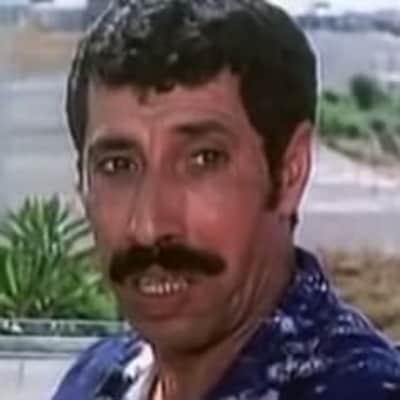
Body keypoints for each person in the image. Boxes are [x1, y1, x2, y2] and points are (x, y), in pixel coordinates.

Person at [52, 0, 400, 399]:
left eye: (203, 159)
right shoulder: (96, 379)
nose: (149, 226)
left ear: (290, 172)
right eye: (118, 166)